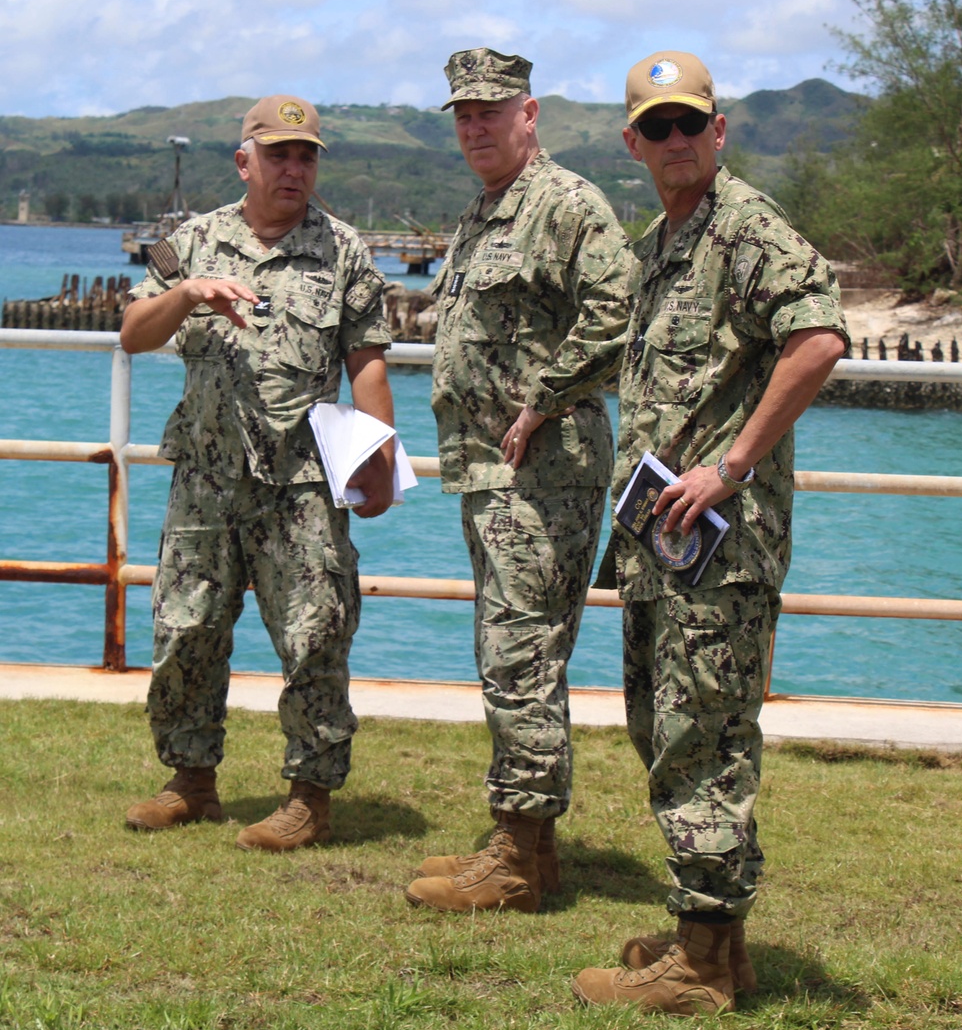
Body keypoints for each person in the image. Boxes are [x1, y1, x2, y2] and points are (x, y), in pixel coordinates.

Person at [571, 52, 849, 1012]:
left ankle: (695, 966)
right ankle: (716, 942)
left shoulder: (744, 228)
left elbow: (817, 337)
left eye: (692, 123)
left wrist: (729, 464)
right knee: (668, 730)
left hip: (720, 548)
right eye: (658, 127)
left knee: (701, 740)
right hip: (666, 548)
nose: (676, 140)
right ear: (633, 144)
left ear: (719, 130)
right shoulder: (658, 246)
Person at [120, 94, 395, 853]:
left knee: (315, 635)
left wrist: (378, 462)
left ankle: (309, 795)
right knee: (186, 630)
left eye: (307, 156)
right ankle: (190, 781)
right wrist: (185, 292)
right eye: (279, 155)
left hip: (300, 482)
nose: (294, 168)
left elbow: (366, 359)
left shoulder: (342, 250)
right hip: (205, 477)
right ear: (246, 161)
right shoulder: (193, 240)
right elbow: (132, 334)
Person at [403, 49, 634, 913]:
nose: (474, 128)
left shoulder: (569, 205)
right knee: (510, 652)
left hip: (546, 473)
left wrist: (542, 401)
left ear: (529, 113)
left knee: (520, 654)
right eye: (462, 114)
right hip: (488, 473)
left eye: (489, 113)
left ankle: (518, 852)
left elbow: (617, 314)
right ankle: (528, 845)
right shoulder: (485, 213)